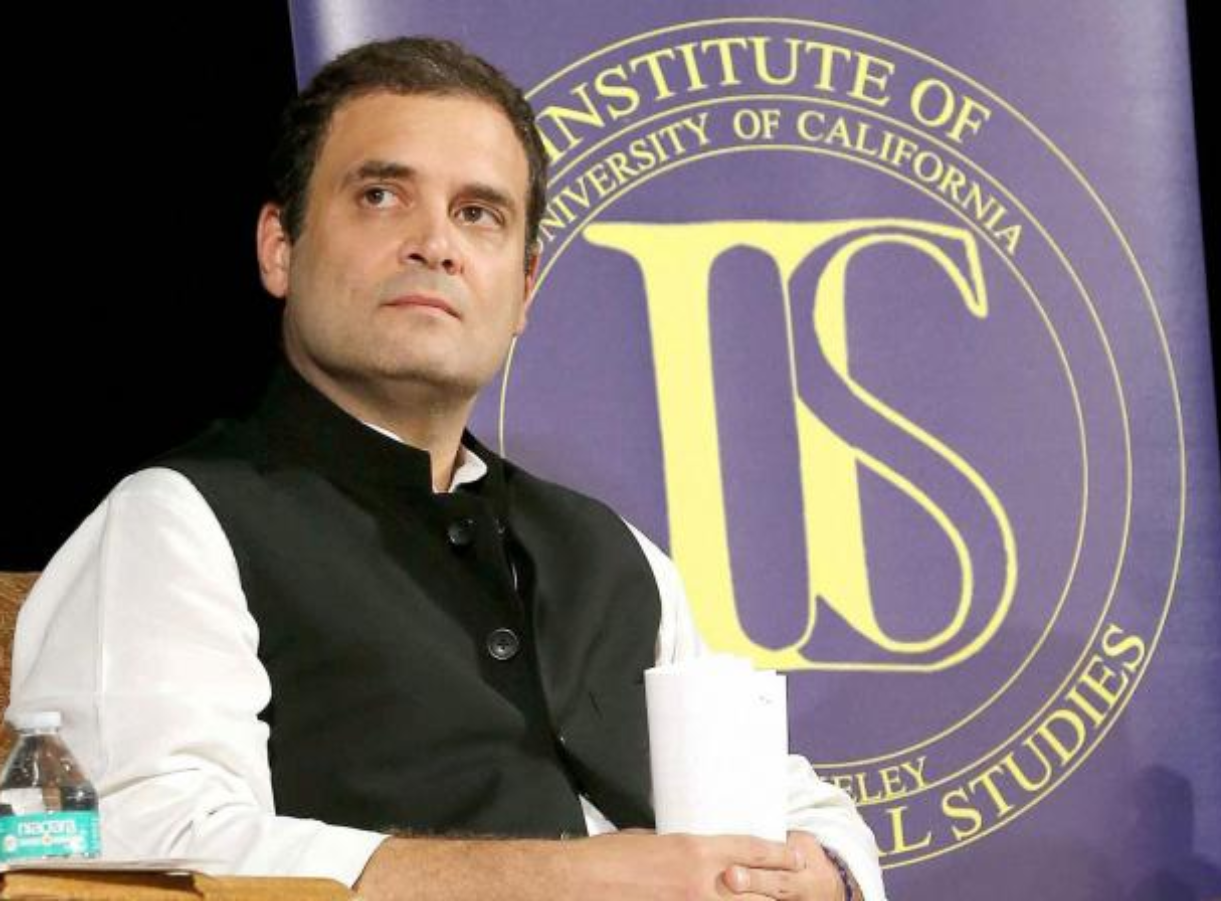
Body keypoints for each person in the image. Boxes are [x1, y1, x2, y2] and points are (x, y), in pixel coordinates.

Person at [7, 36, 884, 901]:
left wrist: (825, 876)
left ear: (525, 288)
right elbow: (133, 847)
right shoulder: (176, 523)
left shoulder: (614, 551)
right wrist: (573, 881)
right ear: (280, 246)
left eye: (479, 213)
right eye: (381, 195)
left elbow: (797, 802)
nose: (435, 243)